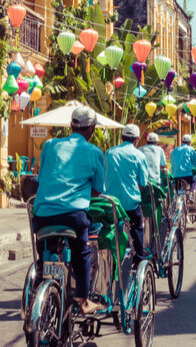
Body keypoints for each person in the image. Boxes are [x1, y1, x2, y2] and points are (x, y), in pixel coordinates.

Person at [33, 106, 105, 315]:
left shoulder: (49, 145)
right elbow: (98, 190)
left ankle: (40, 282)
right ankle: (83, 300)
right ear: (91, 128)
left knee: (45, 253)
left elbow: (43, 176)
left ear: (71, 125)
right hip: (73, 216)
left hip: (42, 215)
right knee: (82, 252)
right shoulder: (93, 152)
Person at [103, 124, 147, 262]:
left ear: (122, 137)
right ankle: (139, 261)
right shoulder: (139, 155)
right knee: (137, 230)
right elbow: (143, 183)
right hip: (131, 205)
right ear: (137, 139)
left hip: (110, 205)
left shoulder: (109, 153)